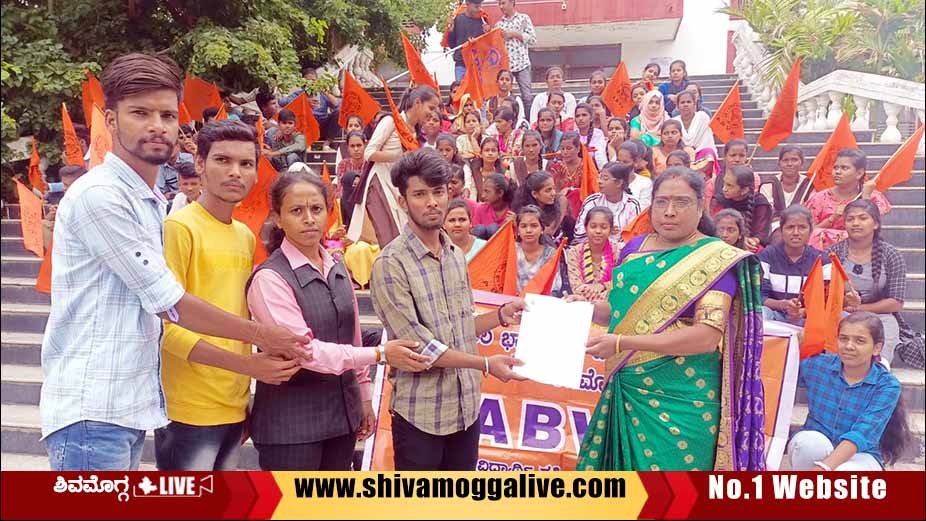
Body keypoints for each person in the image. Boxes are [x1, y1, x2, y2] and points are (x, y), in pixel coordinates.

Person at [40, 53, 309, 472]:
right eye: (140, 113)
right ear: (110, 121)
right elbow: (170, 304)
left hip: (127, 406)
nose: (157, 126)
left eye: (167, 115)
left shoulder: (148, 203)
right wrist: (263, 338)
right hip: (93, 410)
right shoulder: (102, 197)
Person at [575, 166, 765, 471]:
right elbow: (620, 311)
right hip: (628, 389)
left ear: (702, 206)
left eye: (682, 202)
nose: (670, 212)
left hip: (684, 401)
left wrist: (623, 342)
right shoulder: (635, 249)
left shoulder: (715, 259)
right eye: (661, 202)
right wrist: (582, 308)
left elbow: (706, 337)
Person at [246, 171, 429, 470]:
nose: (308, 219)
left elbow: (351, 336)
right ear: (278, 218)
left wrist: (364, 396)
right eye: (296, 211)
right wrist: (380, 354)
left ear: (329, 213)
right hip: (291, 426)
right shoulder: (270, 278)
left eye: (316, 209)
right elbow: (305, 351)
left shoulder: (337, 266)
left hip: (341, 418)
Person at [370, 149, 528, 470]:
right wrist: (485, 363)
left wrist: (499, 316)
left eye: (438, 192)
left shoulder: (454, 253)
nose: (432, 202)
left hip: (465, 409)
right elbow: (421, 349)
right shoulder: (391, 264)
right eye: (420, 194)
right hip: (421, 416)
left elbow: (461, 325)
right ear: (403, 202)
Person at [156, 120, 300, 471]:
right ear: (200, 164)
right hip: (188, 406)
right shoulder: (179, 228)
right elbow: (166, 328)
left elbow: (239, 318)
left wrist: (244, 391)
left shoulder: (245, 236)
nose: (235, 172)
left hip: (233, 402)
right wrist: (247, 366)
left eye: (246, 163)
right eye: (223, 160)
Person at [788, 312, 910, 470]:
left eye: (860, 341)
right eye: (843, 338)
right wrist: (792, 347)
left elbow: (860, 434)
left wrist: (824, 468)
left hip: (861, 454)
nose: (849, 346)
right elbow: (777, 375)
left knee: (845, 472)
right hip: (818, 445)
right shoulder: (816, 366)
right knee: (808, 444)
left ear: (877, 348)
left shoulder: (887, 385)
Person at [826, 200, 923, 369]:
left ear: (876, 223)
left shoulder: (891, 255)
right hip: (840, 311)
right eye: (850, 219)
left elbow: (895, 303)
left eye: (863, 218)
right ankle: (837, 367)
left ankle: (880, 367)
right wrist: (844, 303)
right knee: (833, 321)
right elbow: (823, 295)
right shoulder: (832, 253)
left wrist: (860, 308)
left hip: (876, 314)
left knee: (889, 324)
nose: (855, 223)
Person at [347, 85, 442, 247]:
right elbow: (369, 153)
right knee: (385, 236)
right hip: (380, 183)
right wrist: (398, 157)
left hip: (397, 185)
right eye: (431, 107)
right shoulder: (391, 121)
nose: (432, 113)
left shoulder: (415, 132)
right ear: (418, 103)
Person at [805, 149, 890, 250]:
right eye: (835, 167)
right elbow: (808, 233)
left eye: (844, 168)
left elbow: (874, 230)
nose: (837, 172)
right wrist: (833, 218)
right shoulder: (818, 198)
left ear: (859, 173)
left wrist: (866, 198)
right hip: (824, 256)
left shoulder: (874, 197)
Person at [758, 206, 825, 325]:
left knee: (842, 316)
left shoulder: (823, 260)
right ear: (781, 230)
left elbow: (827, 300)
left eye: (802, 227)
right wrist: (783, 305)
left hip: (809, 318)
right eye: (790, 227)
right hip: (776, 316)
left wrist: (802, 312)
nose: (795, 233)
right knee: (760, 314)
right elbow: (760, 296)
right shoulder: (767, 256)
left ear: (810, 230)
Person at [573, 161, 641, 244]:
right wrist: (605, 231)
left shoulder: (632, 204)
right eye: (599, 177)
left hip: (621, 251)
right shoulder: (592, 201)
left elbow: (634, 236)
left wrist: (613, 247)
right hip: (592, 248)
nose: (599, 182)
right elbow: (578, 234)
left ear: (619, 183)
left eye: (605, 178)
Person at [710, 165, 772, 251]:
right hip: (722, 241)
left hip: (750, 244)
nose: (724, 189)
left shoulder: (760, 203)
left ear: (744, 190)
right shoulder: (719, 201)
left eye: (729, 186)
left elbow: (761, 235)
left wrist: (748, 241)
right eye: (724, 183)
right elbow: (713, 229)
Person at [566, 207, 618, 302]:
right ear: (586, 228)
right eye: (593, 226)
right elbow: (576, 287)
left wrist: (602, 286)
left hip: (610, 303)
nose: (598, 231)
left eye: (603, 227)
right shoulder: (574, 252)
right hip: (581, 302)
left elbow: (621, 282)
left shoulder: (619, 251)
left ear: (611, 230)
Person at [515, 205, 568, 296]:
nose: (528, 230)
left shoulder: (550, 254)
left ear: (542, 229)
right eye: (523, 226)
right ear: (518, 231)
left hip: (541, 303)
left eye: (534, 226)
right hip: (512, 303)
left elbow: (554, 286)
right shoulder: (511, 251)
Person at [759, 145, 814, 231]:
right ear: (779, 163)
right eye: (785, 160)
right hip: (774, 227)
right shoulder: (769, 184)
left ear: (802, 163)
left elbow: (811, 212)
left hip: (801, 227)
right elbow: (767, 213)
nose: (789, 164)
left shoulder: (809, 185)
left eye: (794, 160)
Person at [495, 0, 536, 109]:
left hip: (522, 64)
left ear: (512, 3)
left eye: (503, 3)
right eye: (499, 4)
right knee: (506, 97)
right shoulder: (499, 25)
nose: (501, 6)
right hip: (506, 66)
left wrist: (515, 34)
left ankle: (528, 122)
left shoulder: (524, 18)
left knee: (527, 97)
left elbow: (532, 39)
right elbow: (495, 46)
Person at [513, 171, 573, 244]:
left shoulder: (561, 201)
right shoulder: (524, 210)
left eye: (553, 188)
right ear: (534, 194)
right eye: (548, 190)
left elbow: (550, 232)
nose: (553, 193)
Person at [42, 165, 87, 249]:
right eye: (63, 185)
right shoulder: (66, 200)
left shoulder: (87, 202)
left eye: (67, 185)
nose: (64, 189)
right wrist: (54, 213)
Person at [703, 139, 758, 209]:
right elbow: (708, 211)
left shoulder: (754, 179)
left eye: (742, 156)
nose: (737, 159)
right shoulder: (713, 183)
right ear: (725, 157)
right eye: (733, 155)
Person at [447, 0, 489, 81]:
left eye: (480, 6)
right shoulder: (458, 19)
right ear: (467, 4)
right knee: (461, 91)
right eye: (476, 7)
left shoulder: (483, 21)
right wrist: (451, 32)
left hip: (478, 65)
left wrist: (487, 33)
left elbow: (487, 46)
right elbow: (452, 45)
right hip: (461, 63)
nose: (479, 9)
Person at [472, 173, 516, 239]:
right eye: (483, 191)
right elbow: (474, 234)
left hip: (504, 247)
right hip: (483, 247)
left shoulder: (513, 212)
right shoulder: (481, 209)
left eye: (487, 191)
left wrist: (515, 224)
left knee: (494, 229)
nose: (483, 195)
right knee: (480, 229)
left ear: (500, 193)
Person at [672, 90, 716, 155]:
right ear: (677, 106)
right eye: (682, 102)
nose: (685, 105)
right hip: (681, 155)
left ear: (694, 104)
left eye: (689, 102)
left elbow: (706, 140)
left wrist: (694, 151)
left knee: (708, 152)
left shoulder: (702, 117)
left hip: (702, 152)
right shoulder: (674, 122)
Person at [465, 137, 507, 201]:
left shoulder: (504, 172)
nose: (490, 153)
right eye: (487, 150)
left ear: (498, 154)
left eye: (493, 150)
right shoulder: (471, 171)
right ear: (481, 154)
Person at [615, 141, 653, 210]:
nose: (620, 165)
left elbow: (643, 210)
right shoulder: (611, 180)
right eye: (618, 161)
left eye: (625, 162)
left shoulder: (645, 183)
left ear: (635, 162)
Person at [575, 103, 608, 168]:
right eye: (577, 116)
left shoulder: (598, 134)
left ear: (591, 118)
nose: (580, 118)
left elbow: (600, 157)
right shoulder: (573, 135)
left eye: (584, 115)